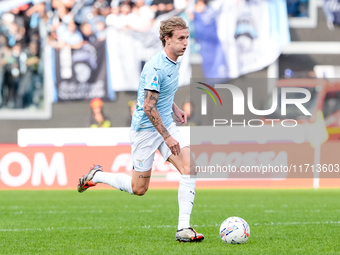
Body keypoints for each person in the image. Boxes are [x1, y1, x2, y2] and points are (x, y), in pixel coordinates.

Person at [77, 16, 204, 243]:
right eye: (181, 38)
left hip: (166, 123)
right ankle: (97, 175)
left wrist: (174, 109)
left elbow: (161, 94)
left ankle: (183, 228)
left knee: (189, 168)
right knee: (139, 189)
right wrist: (167, 137)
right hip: (146, 130)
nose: (186, 43)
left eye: (187, 37)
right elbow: (148, 106)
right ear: (166, 40)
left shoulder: (175, 59)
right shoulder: (156, 67)